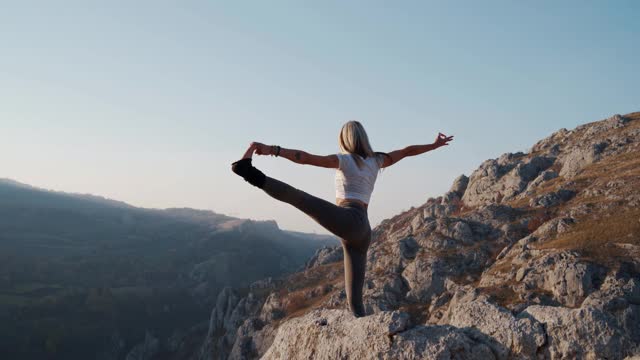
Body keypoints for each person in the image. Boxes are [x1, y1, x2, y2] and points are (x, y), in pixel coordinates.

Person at [230, 120, 453, 317]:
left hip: (349, 220)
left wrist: (274, 150)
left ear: (343, 139)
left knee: (300, 199)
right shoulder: (377, 161)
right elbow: (407, 151)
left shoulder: (345, 160)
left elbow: (305, 158)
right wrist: (433, 145)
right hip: (362, 231)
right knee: (354, 303)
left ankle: (249, 173)